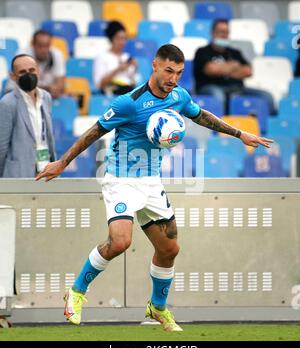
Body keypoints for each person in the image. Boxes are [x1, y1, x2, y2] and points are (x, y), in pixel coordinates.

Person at [36, 44, 273, 332]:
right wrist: (62, 162)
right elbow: (95, 131)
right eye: (169, 71)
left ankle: (157, 307)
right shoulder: (129, 103)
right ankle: (76, 291)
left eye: (179, 73)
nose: (174, 78)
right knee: (120, 242)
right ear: (155, 66)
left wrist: (239, 133)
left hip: (150, 180)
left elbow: (201, 116)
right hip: (120, 178)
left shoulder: (178, 97)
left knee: (170, 248)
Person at [193, 19, 276, 114]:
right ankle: (221, 125)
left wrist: (222, 69)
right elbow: (211, 70)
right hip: (210, 87)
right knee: (218, 95)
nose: (224, 35)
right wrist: (234, 66)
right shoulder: (202, 51)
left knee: (267, 96)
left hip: (237, 88)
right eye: (221, 32)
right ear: (213, 33)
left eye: (226, 32)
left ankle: (270, 126)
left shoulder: (235, 52)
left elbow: (248, 71)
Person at [0, 54, 56, 178]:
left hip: (45, 169)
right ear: (13, 76)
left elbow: (48, 136)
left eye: (32, 70)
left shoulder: (46, 97)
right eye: (22, 72)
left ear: (38, 71)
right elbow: (2, 146)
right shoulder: (7, 103)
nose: (28, 74)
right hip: (19, 173)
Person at [6, 30, 66, 99]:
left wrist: (56, 89)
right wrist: (48, 88)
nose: (43, 50)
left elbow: (60, 84)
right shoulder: (22, 55)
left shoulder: (57, 55)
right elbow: (25, 85)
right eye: (40, 46)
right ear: (33, 45)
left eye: (47, 45)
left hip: (44, 97)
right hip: (17, 95)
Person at [93, 21, 137, 95]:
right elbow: (100, 85)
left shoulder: (127, 57)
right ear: (111, 39)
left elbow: (133, 83)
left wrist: (135, 68)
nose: (122, 42)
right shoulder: (102, 57)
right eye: (119, 38)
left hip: (128, 93)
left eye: (124, 39)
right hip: (111, 93)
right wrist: (118, 70)